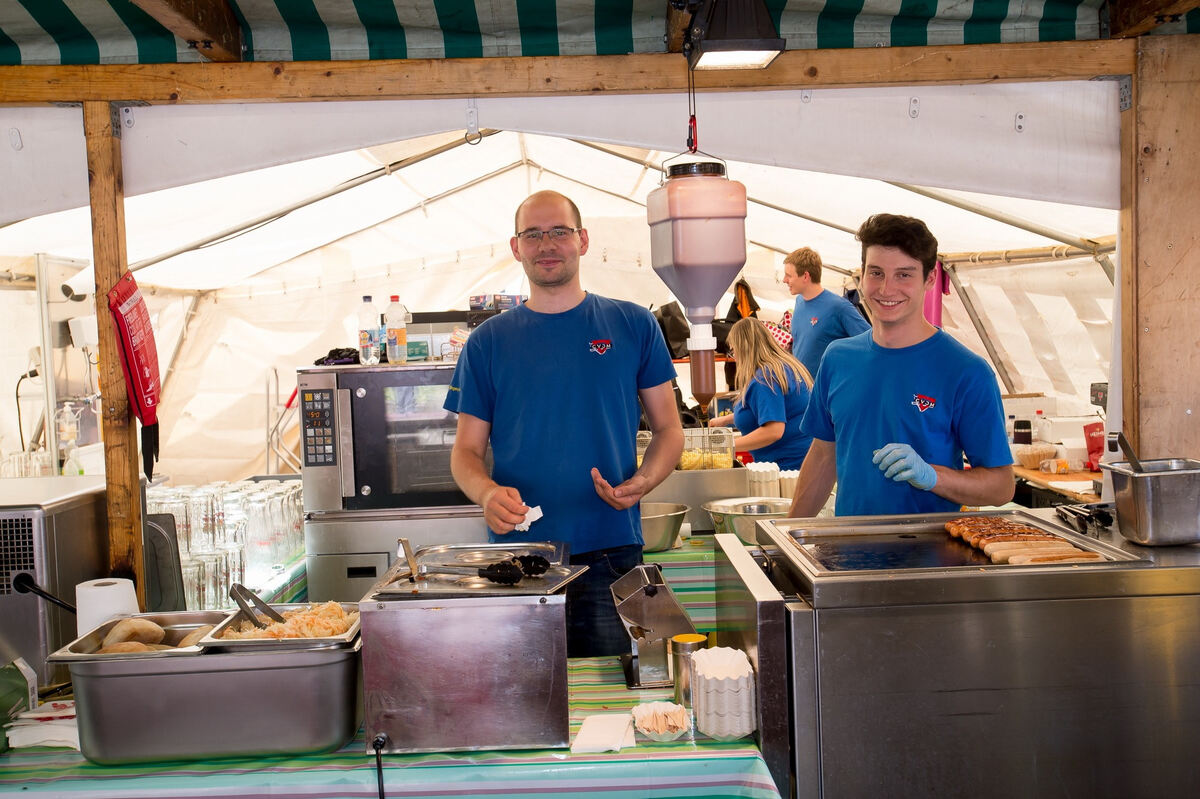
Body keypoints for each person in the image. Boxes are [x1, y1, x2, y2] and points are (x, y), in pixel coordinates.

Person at [443, 189, 685, 658]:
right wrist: (487, 494)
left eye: (559, 231)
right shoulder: (487, 342)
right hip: (518, 558)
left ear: (583, 240)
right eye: (532, 234)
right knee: (527, 701)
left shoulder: (633, 324)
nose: (546, 244)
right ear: (516, 248)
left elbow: (669, 430)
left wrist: (643, 481)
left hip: (612, 551)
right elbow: (466, 452)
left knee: (615, 700)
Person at [788, 214, 1014, 518]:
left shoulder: (966, 372)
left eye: (904, 275)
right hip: (848, 553)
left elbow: (1001, 487)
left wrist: (932, 476)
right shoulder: (838, 358)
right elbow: (823, 457)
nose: (886, 289)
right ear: (863, 274)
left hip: (931, 560)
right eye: (876, 273)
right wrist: (788, 539)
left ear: (930, 278)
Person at [708, 317, 814, 469]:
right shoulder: (786, 367)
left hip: (787, 468)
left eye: (733, 351)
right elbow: (775, 408)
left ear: (743, 348)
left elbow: (773, 431)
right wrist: (725, 420)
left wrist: (724, 445)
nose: (735, 357)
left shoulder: (764, 378)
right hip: (807, 461)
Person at [782, 246, 871, 376]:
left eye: (789, 275)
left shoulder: (839, 307)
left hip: (828, 391)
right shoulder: (799, 301)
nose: (784, 280)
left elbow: (870, 342)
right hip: (803, 389)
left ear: (805, 276)